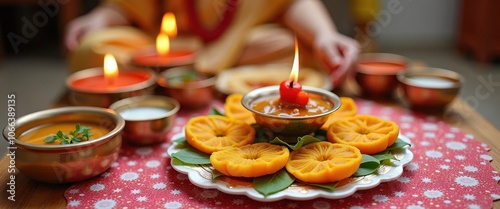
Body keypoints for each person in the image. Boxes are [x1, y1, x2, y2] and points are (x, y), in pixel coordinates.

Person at [64, 0, 360, 88]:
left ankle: (174, 80)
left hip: (242, 45)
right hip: (169, 45)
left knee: (302, 49)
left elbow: (291, 2)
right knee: (95, 47)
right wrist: (102, 17)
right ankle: (172, 72)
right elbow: (130, 5)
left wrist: (323, 34)